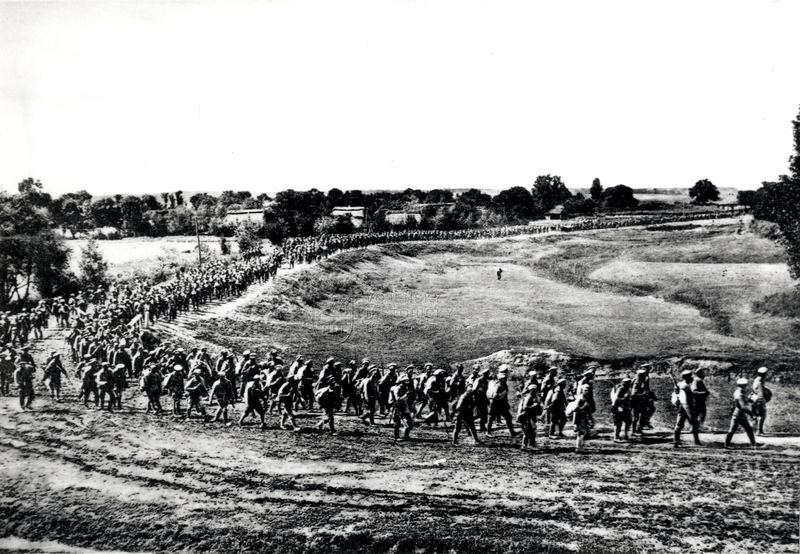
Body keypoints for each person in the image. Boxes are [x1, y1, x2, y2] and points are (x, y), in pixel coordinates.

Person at [724, 378, 757, 449]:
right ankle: (726, 445)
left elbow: (744, 401)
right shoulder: (739, 394)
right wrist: (752, 414)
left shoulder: (740, 392)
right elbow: (743, 406)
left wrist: (750, 399)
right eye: (745, 385)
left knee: (749, 429)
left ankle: (754, 444)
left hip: (740, 414)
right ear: (742, 385)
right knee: (732, 430)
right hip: (738, 414)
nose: (746, 386)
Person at [674, 369, 701, 447]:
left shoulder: (679, 384)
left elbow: (676, 395)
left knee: (679, 424)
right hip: (687, 407)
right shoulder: (686, 386)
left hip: (681, 407)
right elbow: (690, 397)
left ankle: (676, 441)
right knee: (694, 423)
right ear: (688, 377)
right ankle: (696, 441)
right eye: (690, 377)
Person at [487, 369, 517, 437]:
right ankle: (488, 432)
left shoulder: (504, 385)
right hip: (495, 404)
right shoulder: (498, 386)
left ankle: (512, 432)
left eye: (505, 378)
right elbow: (495, 396)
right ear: (500, 379)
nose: (504, 379)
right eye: (503, 378)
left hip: (502, 404)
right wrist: (502, 394)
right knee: (491, 418)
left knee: (508, 417)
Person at [516, 382, 541, 450]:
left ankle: (531, 444)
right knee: (527, 431)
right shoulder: (528, 397)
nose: (535, 391)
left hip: (531, 416)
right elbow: (525, 407)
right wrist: (534, 406)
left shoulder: (533, 397)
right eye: (534, 390)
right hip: (526, 416)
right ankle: (524, 445)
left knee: (532, 430)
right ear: (531, 390)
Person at [389, 376, 414, 441]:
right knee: (397, 421)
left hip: (405, 406)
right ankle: (396, 436)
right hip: (398, 406)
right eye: (405, 381)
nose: (407, 382)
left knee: (409, 421)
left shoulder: (405, 388)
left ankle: (406, 435)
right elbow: (398, 399)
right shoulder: (398, 388)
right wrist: (406, 395)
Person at [610, 378, 632, 442]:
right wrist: (624, 398)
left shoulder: (627, 389)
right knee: (618, 423)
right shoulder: (621, 389)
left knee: (628, 421)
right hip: (618, 408)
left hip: (625, 408)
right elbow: (616, 399)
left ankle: (625, 435)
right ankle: (616, 437)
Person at [751, 367, 771, 436]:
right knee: (762, 415)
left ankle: (756, 430)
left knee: (757, 415)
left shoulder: (758, 380)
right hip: (759, 400)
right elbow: (760, 394)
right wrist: (763, 401)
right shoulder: (759, 382)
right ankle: (759, 431)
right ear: (764, 374)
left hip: (755, 399)